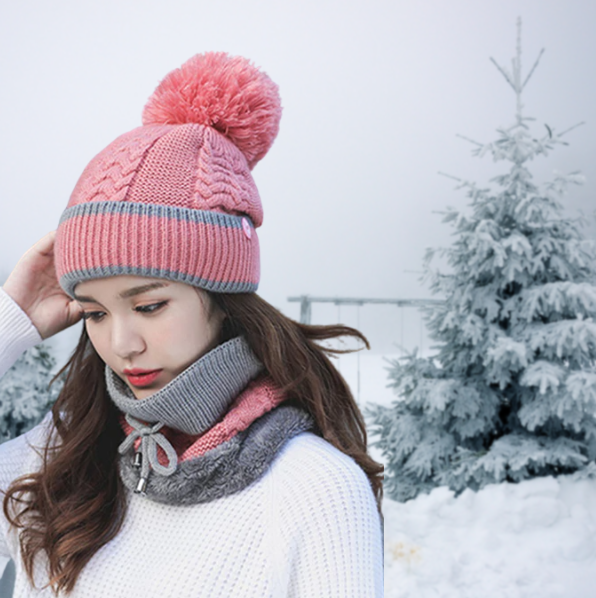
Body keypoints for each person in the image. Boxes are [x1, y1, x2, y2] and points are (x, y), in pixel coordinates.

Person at [0, 52, 384, 597]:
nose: (120, 343)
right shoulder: (61, 461)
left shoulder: (315, 489)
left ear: (223, 298)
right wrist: (9, 320)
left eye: (150, 305)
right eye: (94, 313)